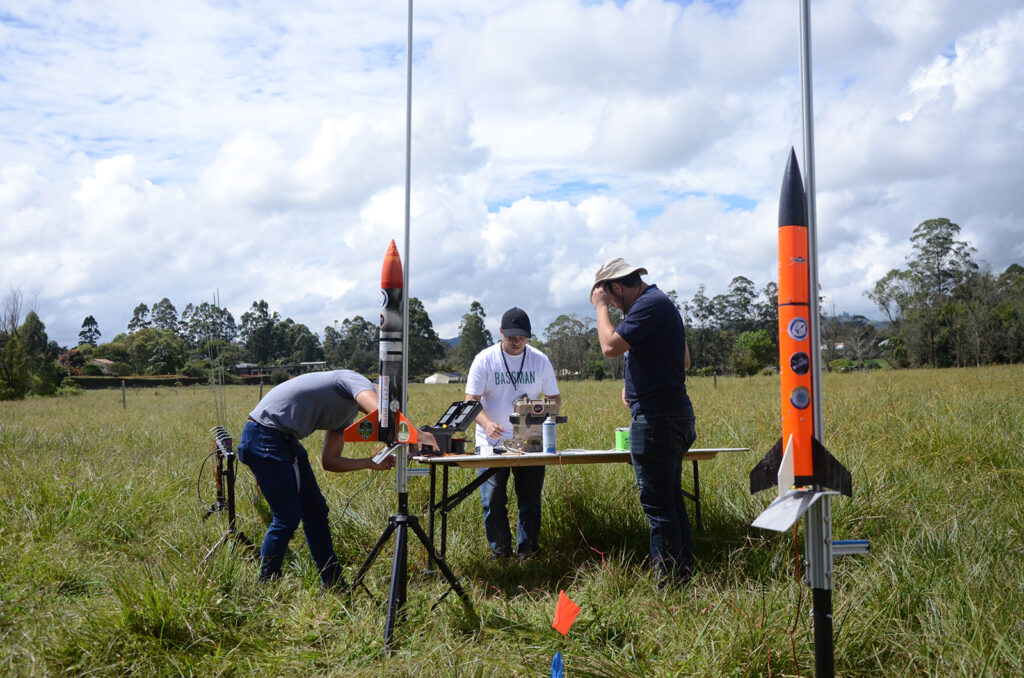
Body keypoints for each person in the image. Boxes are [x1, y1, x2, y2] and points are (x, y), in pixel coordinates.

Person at [237, 369, 435, 587]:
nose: (387, 414)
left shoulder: (346, 414)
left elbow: (330, 461)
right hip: (264, 436)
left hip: (282, 440)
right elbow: (383, 414)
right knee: (287, 518)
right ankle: (267, 585)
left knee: (316, 512)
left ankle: (333, 583)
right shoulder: (353, 379)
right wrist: (418, 435)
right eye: (391, 407)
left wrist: (369, 463)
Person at [590, 258, 697, 586]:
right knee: (671, 500)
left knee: (658, 506)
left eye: (611, 298)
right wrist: (636, 381)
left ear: (616, 288)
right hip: (675, 414)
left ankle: (669, 586)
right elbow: (684, 361)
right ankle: (682, 578)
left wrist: (599, 307)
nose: (612, 305)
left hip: (657, 420)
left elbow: (609, 346)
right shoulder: (661, 303)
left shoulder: (649, 305)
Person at [465, 307, 561, 559]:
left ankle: (527, 553)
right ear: (501, 333)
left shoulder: (540, 360)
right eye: (511, 337)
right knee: (493, 500)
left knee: (530, 500)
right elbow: (470, 401)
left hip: (529, 441)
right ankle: (500, 554)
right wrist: (486, 423)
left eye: (521, 337)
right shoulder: (485, 360)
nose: (516, 342)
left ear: (528, 336)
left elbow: (554, 398)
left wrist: (540, 421)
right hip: (490, 442)